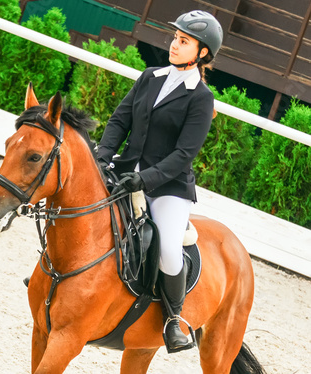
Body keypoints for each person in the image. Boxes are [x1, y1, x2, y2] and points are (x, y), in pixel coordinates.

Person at [97, 10, 223, 353]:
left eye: (184, 41)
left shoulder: (201, 98)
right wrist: (102, 154)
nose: (174, 44)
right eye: (175, 38)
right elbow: (119, 120)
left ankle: (173, 319)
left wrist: (145, 179)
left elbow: (183, 155)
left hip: (167, 187)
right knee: (85, 209)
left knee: (168, 248)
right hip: (126, 172)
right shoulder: (150, 76)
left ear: (202, 54)